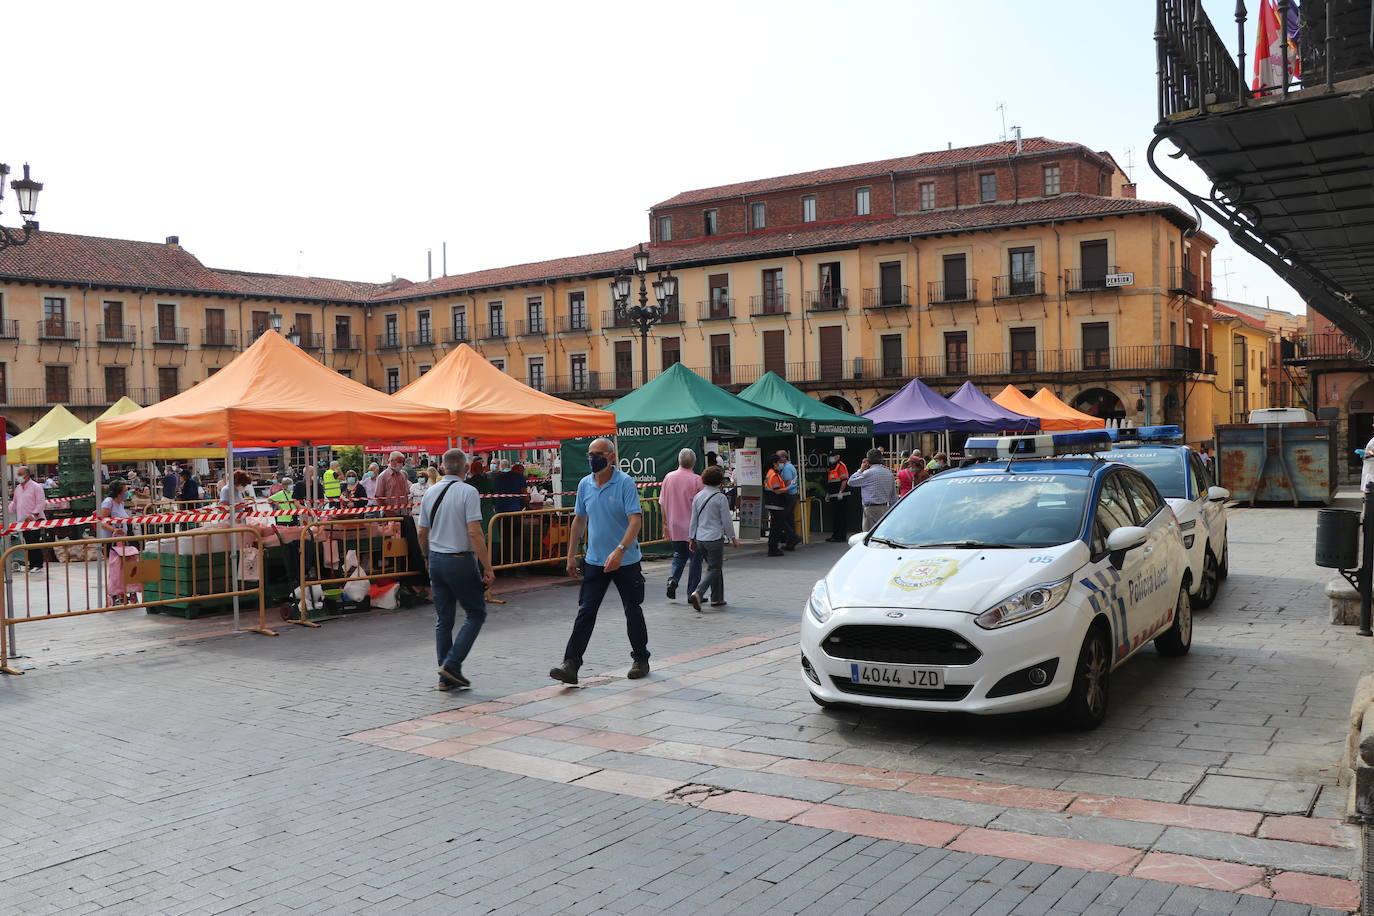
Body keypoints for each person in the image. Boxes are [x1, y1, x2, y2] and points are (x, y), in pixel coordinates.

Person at [549, 437, 650, 685]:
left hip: (625, 560)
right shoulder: (585, 484)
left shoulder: (625, 483)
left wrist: (620, 550)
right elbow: (579, 520)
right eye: (590, 454)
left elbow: (635, 520)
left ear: (611, 457)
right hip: (594, 560)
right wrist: (571, 555)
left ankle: (641, 658)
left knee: (632, 609)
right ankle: (570, 664)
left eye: (599, 454)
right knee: (586, 611)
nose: (593, 458)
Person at [418, 448, 494, 691]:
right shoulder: (468, 492)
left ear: (442, 467)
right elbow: (474, 531)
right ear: (465, 468)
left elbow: (422, 531)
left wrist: (426, 556)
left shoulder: (430, 491)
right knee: (476, 612)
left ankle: (445, 677)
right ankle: (452, 664)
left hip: (437, 559)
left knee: (444, 619)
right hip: (460, 559)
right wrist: (488, 566)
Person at [377, 450, 430, 593]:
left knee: (409, 547)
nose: (401, 464)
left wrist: (405, 511)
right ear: (392, 461)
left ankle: (413, 578)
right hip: (391, 518)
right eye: (399, 461)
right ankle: (399, 578)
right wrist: (390, 514)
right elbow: (378, 496)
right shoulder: (383, 477)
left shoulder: (401, 476)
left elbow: (406, 495)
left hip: (404, 517)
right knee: (395, 549)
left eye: (402, 461)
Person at [686, 465, 737, 611]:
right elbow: (726, 520)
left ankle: (717, 598)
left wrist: (691, 538)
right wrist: (733, 537)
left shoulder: (698, 496)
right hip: (714, 538)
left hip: (701, 538)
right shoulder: (720, 498)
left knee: (715, 567)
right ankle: (699, 592)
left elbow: (693, 520)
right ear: (720, 481)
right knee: (714, 567)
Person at [660, 447, 704, 600]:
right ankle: (692, 592)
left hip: (674, 525)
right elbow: (703, 505)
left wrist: (665, 523)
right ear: (694, 462)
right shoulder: (697, 480)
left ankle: (673, 579)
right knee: (695, 560)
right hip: (693, 528)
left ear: (678, 460)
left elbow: (662, 503)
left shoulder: (668, 478)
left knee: (679, 555)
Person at [96, 480, 137, 605]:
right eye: (125, 491)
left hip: (122, 540)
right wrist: (115, 530)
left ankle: (123, 591)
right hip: (111, 541)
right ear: (118, 492)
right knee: (116, 568)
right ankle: (115, 592)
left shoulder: (121, 503)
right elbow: (102, 522)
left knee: (124, 567)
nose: (127, 493)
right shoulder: (108, 502)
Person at [846, 448, 897, 531]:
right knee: (882, 535)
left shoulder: (867, 473)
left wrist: (861, 470)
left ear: (868, 460)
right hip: (885, 508)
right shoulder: (889, 473)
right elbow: (893, 496)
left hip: (870, 509)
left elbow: (851, 482)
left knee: (868, 536)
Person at [10, 465, 48, 572]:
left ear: (26, 475)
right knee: (28, 541)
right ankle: (32, 564)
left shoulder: (36, 486)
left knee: (33, 540)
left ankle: (38, 564)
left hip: (35, 519)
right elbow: (15, 502)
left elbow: (41, 502)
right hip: (23, 520)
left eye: (20, 474)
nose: (18, 477)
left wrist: (34, 515)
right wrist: (6, 509)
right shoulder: (18, 488)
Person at [764, 454, 790, 557]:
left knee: (775, 527)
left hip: (773, 503)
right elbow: (777, 491)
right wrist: (789, 488)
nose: (781, 464)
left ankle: (773, 548)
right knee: (776, 527)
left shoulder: (771, 473)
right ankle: (773, 549)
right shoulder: (773, 475)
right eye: (779, 462)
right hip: (776, 504)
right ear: (774, 463)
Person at [774, 449, 801, 550]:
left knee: (782, 518)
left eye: (778, 458)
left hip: (788, 496)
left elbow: (788, 483)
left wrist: (779, 490)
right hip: (791, 495)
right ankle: (791, 542)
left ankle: (793, 537)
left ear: (784, 458)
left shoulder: (786, 469)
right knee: (789, 519)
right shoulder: (789, 467)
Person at [824, 452, 850, 542]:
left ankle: (841, 536)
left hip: (841, 496)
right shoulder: (831, 467)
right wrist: (828, 493)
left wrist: (840, 492)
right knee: (836, 516)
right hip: (833, 495)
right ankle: (835, 535)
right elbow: (830, 481)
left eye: (832, 456)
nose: (830, 458)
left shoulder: (840, 466)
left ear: (838, 456)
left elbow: (844, 480)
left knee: (841, 516)